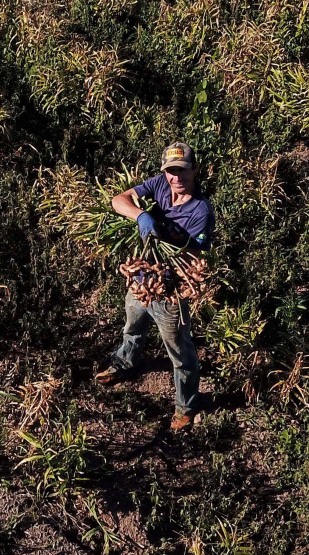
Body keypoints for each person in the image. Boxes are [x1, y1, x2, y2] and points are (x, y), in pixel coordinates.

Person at [95, 142, 215, 432]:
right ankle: (124, 363)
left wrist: (164, 248)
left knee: (180, 352)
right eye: (171, 171)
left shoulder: (201, 211)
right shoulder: (160, 184)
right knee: (132, 326)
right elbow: (119, 199)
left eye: (183, 170)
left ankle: (186, 405)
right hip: (141, 279)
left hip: (169, 290)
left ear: (195, 169)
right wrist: (141, 216)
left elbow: (194, 258)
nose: (177, 177)